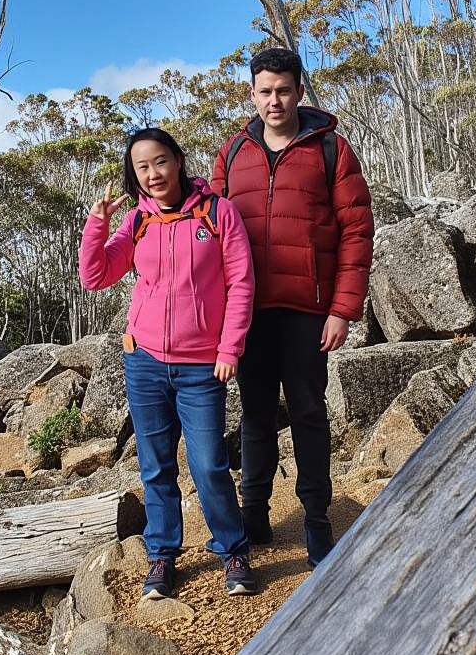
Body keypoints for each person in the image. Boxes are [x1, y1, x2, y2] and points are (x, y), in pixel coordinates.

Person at [79, 127, 257, 600]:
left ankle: (233, 549)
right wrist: (97, 225)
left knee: (209, 465)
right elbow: (96, 276)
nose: (153, 174)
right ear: (133, 175)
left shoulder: (218, 213)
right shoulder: (137, 221)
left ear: (178, 160)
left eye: (160, 161)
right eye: (142, 167)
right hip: (145, 362)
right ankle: (162, 557)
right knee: (156, 468)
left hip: (202, 367)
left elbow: (241, 283)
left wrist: (229, 349)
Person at [212, 48, 373, 568]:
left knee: (308, 414)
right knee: (255, 417)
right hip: (249, 312)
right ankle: (253, 514)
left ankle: (316, 520)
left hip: (309, 309)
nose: (274, 100)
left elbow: (356, 232)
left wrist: (342, 310)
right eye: (265, 91)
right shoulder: (232, 153)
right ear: (252, 94)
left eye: (283, 90)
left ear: (299, 92)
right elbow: (206, 232)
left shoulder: (331, 151)